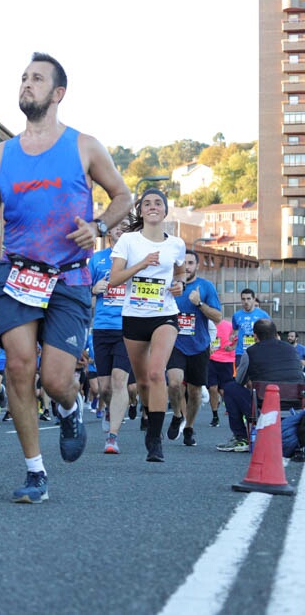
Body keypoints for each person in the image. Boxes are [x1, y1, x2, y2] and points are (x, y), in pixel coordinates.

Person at [0, 52, 132, 503]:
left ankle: (70, 405)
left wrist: (97, 227)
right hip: (17, 273)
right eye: (23, 77)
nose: (26, 84)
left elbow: (123, 196)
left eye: (36, 78)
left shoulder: (84, 146)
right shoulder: (2, 154)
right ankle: (35, 471)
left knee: (56, 379)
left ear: (58, 93)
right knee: (20, 367)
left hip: (68, 278)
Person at [108, 188, 187, 462]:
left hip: (165, 313)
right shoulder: (129, 241)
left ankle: (155, 439)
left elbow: (179, 272)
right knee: (142, 381)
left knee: (156, 373)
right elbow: (114, 279)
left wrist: (179, 285)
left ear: (165, 211)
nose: (153, 206)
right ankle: (148, 414)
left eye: (158, 203)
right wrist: (141, 264)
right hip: (134, 317)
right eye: (147, 203)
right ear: (141, 211)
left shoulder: (176, 244)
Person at [216, 319, 305, 452]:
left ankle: (241, 438)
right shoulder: (292, 350)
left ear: (255, 336)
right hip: (295, 405)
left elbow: (239, 380)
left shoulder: (251, 352)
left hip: (265, 406)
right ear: (276, 334)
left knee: (230, 388)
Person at [164, 251, 222, 447]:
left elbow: (217, 317)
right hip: (174, 344)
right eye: (183, 263)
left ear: (196, 266)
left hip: (199, 346)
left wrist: (199, 303)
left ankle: (189, 427)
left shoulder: (205, 287)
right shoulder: (169, 286)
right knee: (174, 383)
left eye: (190, 263)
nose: (186, 267)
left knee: (195, 392)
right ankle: (177, 415)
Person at [88, 222, 134, 454]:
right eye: (116, 226)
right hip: (102, 327)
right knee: (104, 387)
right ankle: (108, 409)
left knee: (119, 381)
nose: (119, 229)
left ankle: (113, 437)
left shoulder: (135, 259)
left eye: (125, 226)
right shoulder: (97, 259)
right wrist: (92, 288)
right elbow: (82, 288)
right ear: (109, 232)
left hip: (127, 327)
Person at [207, 317, 237, 427]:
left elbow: (237, 339)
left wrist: (232, 347)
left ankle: (234, 413)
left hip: (227, 361)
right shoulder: (207, 324)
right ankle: (215, 416)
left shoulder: (228, 325)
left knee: (225, 390)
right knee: (212, 388)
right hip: (211, 359)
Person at [232, 289, 270, 359]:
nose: (246, 302)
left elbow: (270, 332)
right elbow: (234, 331)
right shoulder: (236, 315)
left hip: (258, 353)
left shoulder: (263, 315)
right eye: (243, 299)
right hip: (241, 353)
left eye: (248, 299)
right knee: (239, 370)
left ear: (254, 299)